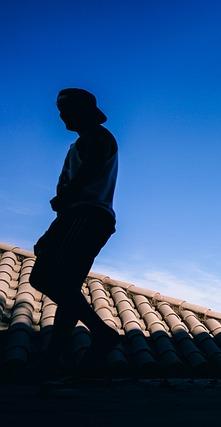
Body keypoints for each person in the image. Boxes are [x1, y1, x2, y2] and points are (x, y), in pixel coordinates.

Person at [29, 88, 120, 377]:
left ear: (83, 111)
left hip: (85, 215)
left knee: (43, 277)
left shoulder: (98, 136)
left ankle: (102, 334)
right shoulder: (83, 141)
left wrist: (68, 196)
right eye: (60, 109)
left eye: (67, 108)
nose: (61, 114)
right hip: (82, 217)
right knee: (68, 287)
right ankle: (53, 358)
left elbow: (92, 166)